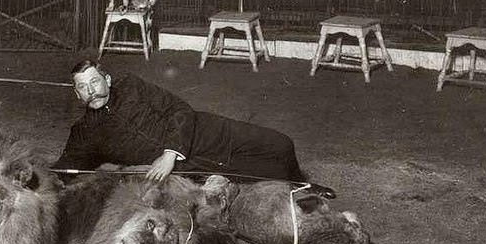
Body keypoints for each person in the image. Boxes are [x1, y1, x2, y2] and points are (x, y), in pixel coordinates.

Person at [53, 60, 307, 184]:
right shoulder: (84, 132)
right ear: (77, 94)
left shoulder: (131, 86)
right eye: (83, 88)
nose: (91, 91)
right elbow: (64, 169)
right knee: (273, 175)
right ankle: (302, 189)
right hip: (194, 167)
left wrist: (169, 154)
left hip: (207, 133)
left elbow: (180, 109)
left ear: (106, 79)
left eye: (94, 82)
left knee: (281, 145)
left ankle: (303, 182)